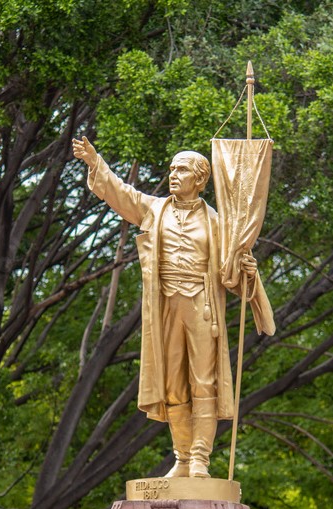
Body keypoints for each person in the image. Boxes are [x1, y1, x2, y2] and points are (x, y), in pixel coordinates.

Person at [72, 136, 269, 478]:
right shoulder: (154, 209)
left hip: (202, 307)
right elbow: (121, 193)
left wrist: (247, 273)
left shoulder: (218, 222)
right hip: (166, 307)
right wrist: (95, 162)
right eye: (172, 168)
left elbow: (232, 277)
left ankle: (200, 460)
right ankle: (181, 458)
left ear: (200, 178)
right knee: (173, 385)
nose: (173, 174)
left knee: (203, 383)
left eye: (181, 169)